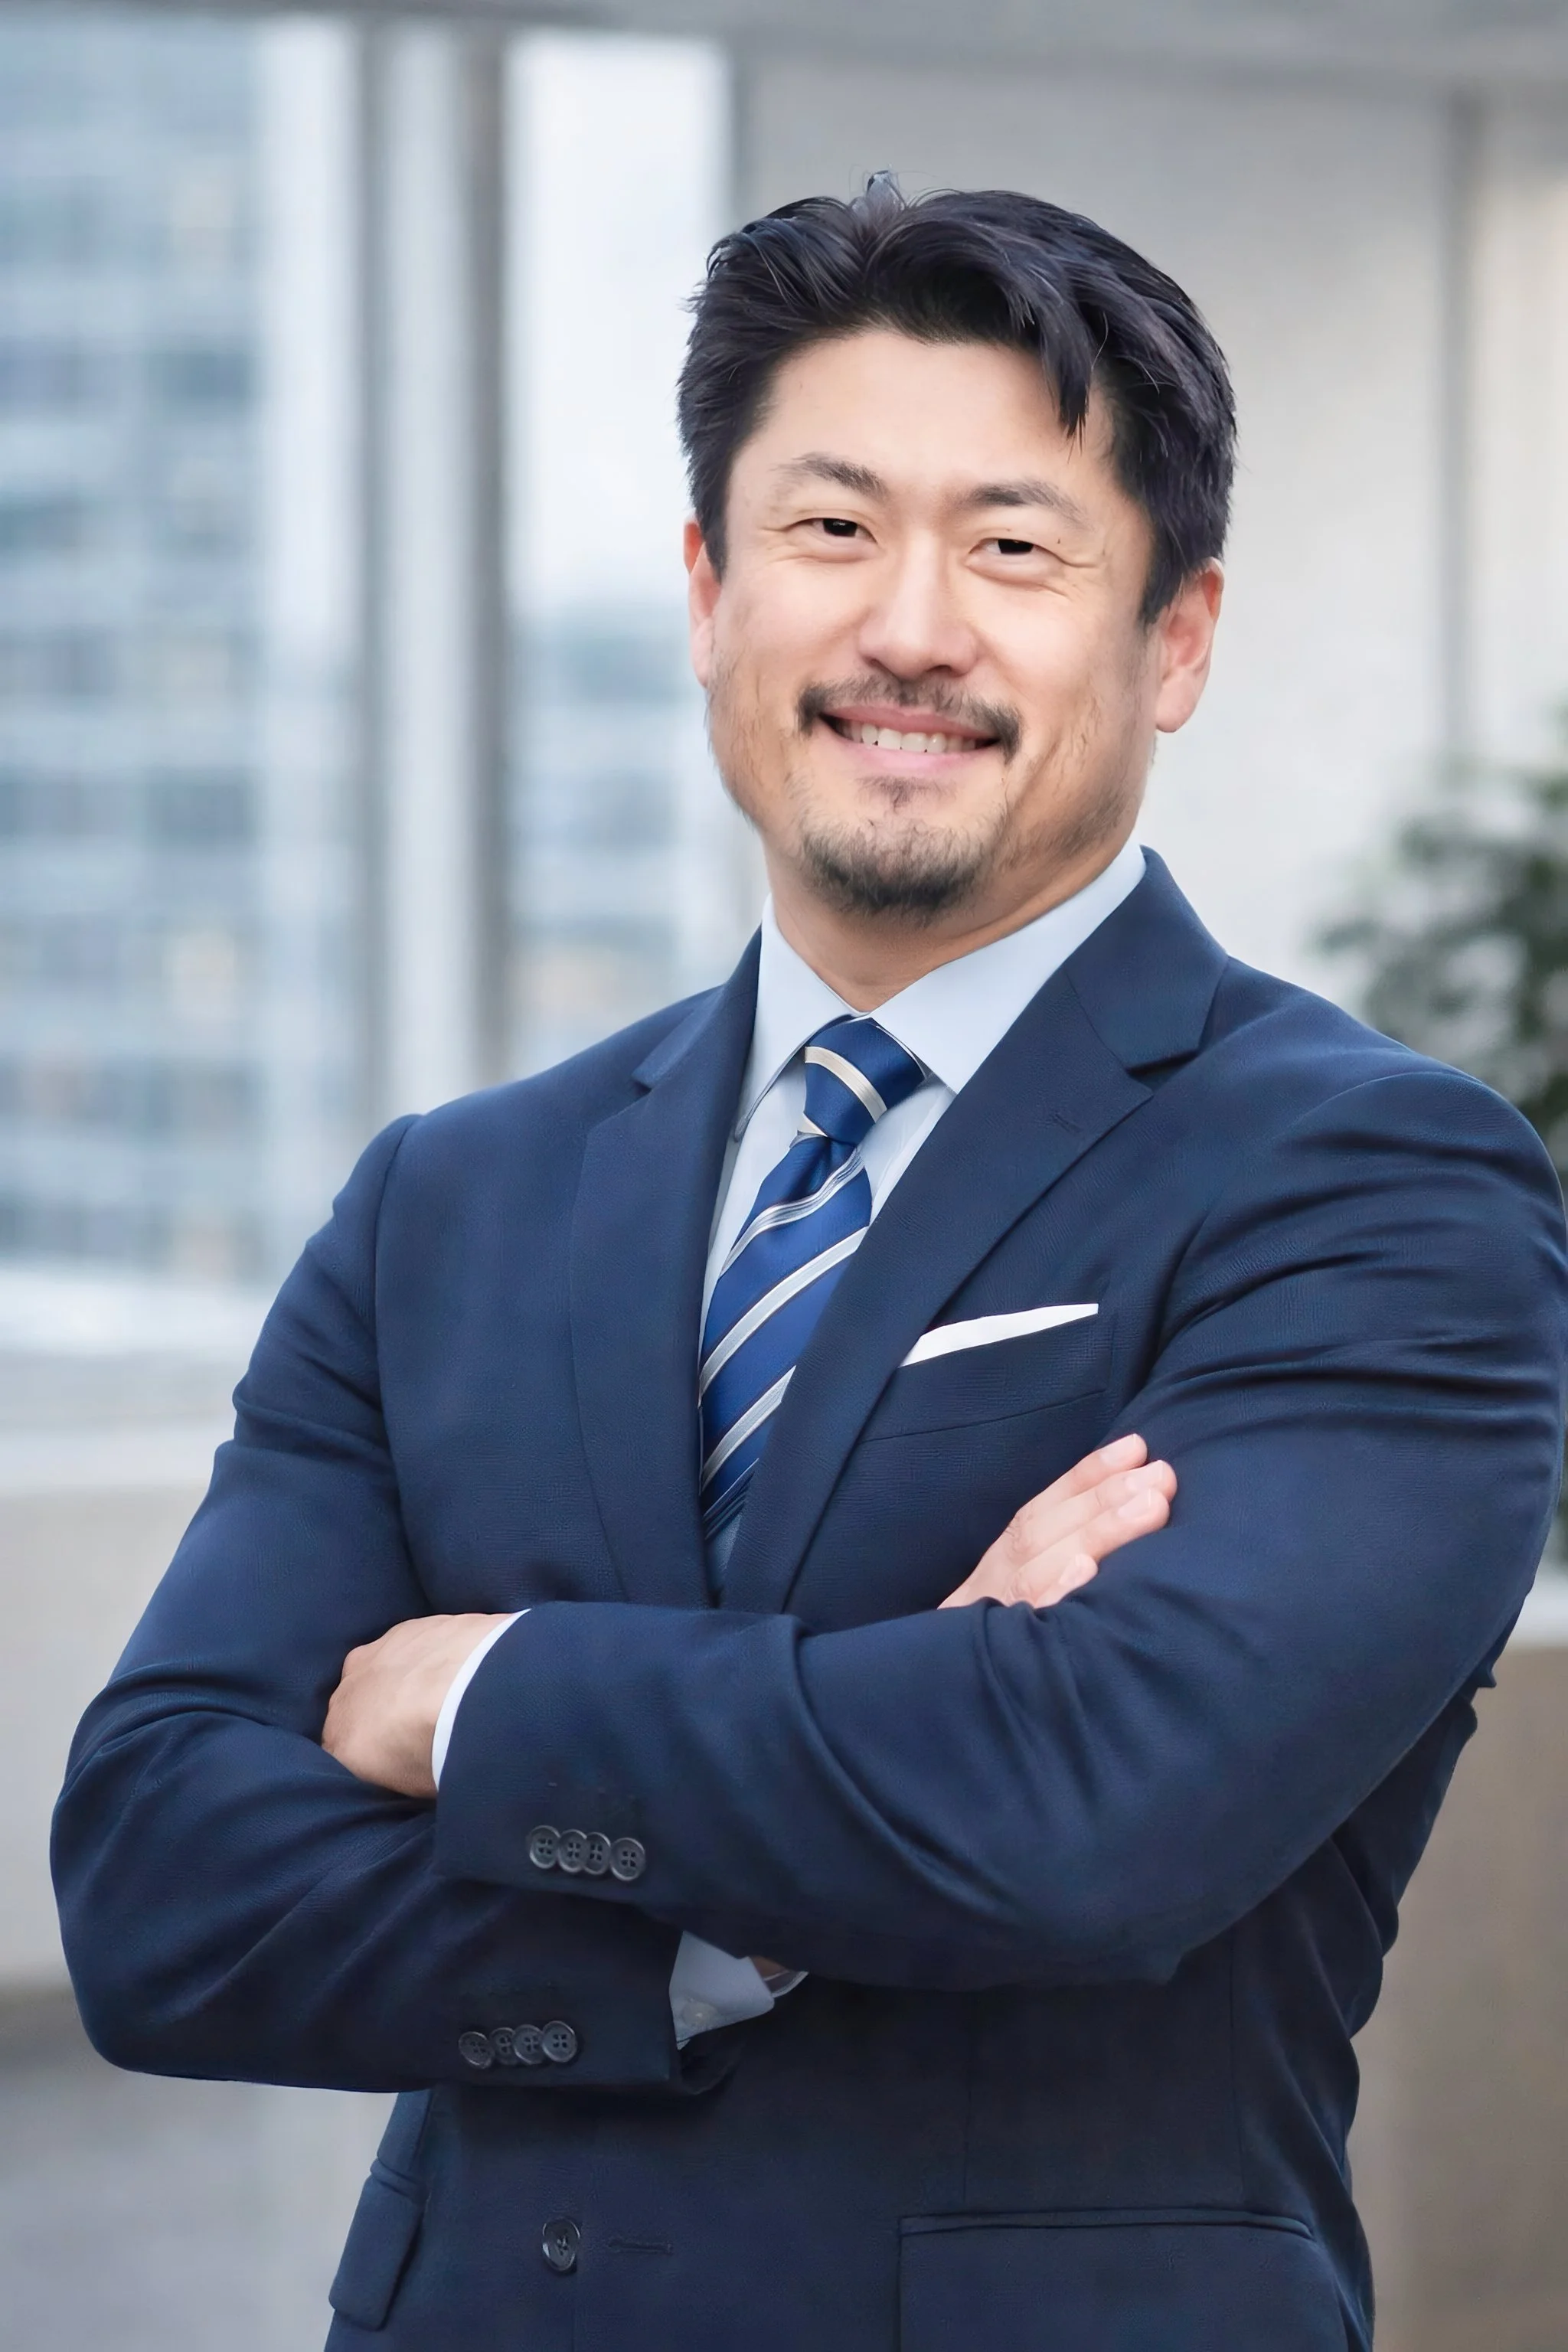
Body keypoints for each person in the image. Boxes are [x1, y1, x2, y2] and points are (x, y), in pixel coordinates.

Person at [54, 178, 1566, 2352]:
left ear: (1178, 639)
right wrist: (736, 1907)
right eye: (831, 531)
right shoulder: (451, 1199)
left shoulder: (1373, 1187)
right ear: (706, 591)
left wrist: (471, 1698)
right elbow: (163, 1893)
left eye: (1016, 549)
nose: (910, 631)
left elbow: (1089, 1816)